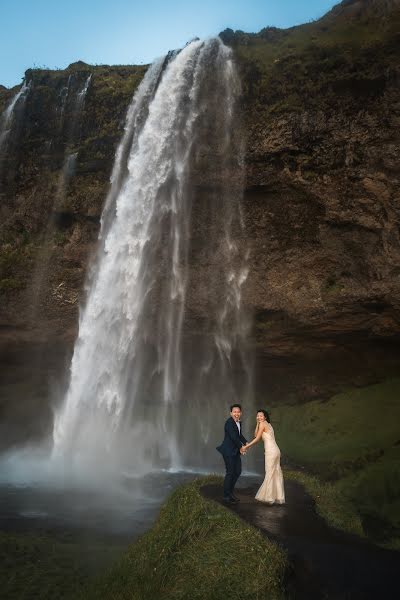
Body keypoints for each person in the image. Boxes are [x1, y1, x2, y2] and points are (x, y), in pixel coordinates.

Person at [244, 409, 285, 504]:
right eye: (257, 416)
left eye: (261, 416)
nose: (259, 417)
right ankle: (277, 497)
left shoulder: (263, 424)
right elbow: (256, 434)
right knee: (275, 472)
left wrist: (247, 446)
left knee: (270, 473)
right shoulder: (267, 424)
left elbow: (257, 438)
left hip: (271, 451)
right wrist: (258, 423)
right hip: (276, 450)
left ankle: (270, 498)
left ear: (265, 417)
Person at [216, 404, 248, 504]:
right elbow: (234, 437)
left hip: (235, 451)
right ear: (231, 413)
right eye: (234, 412)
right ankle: (226, 496)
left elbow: (239, 435)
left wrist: (246, 442)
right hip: (228, 451)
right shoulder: (229, 423)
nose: (236, 414)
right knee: (230, 473)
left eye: (238, 412)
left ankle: (230, 493)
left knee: (237, 471)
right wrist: (241, 447)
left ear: (241, 413)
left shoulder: (238, 422)